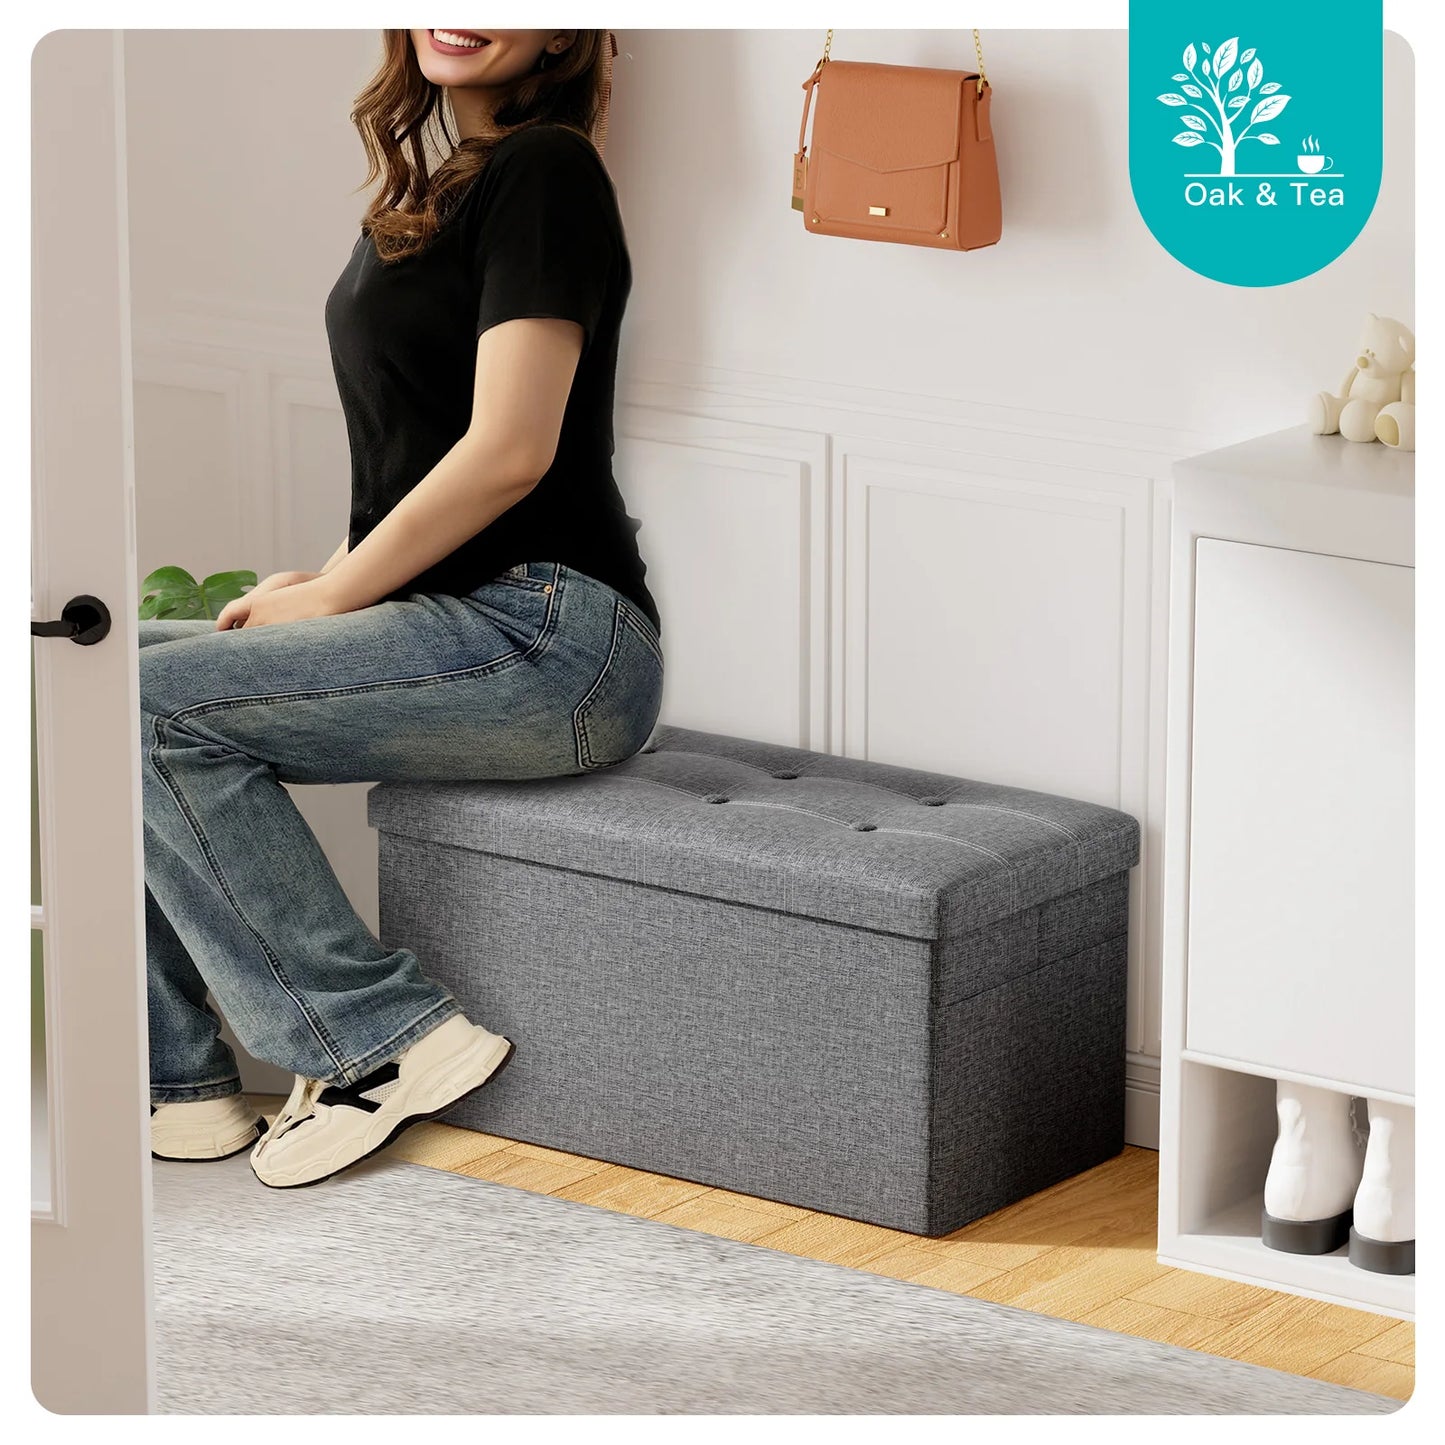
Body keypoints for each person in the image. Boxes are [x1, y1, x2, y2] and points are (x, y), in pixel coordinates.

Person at [141, 28, 662, 1190]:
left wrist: (335, 592)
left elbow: (510, 454)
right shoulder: (440, 189)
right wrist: (317, 575)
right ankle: (181, 1085)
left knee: (136, 705)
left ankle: (381, 1038)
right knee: (89, 678)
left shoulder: (545, 169)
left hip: (550, 639)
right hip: (458, 618)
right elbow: (411, 461)